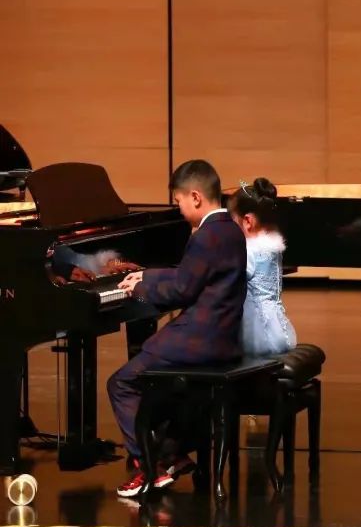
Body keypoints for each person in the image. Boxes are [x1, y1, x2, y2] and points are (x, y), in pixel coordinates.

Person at [108, 159, 247, 497]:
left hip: (198, 339)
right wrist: (147, 274)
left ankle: (148, 466)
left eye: (179, 202)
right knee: (163, 384)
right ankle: (174, 454)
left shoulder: (204, 237)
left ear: (195, 197)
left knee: (122, 383)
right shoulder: (230, 230)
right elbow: (190, 275)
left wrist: (140, 289)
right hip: (224, 338)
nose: (180, 210)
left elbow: (182, 290)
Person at [228, 177, 297, 357]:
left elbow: (229, 282)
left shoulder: (249, 252)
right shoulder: (273, 248)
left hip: (257, 334)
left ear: (247, 221)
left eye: (232, 221)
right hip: (279, 330)